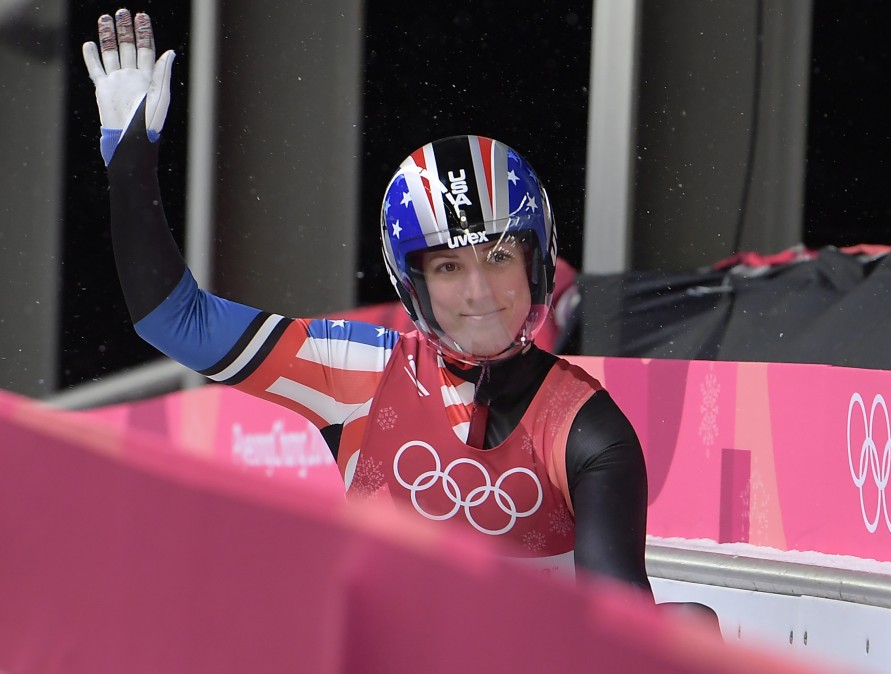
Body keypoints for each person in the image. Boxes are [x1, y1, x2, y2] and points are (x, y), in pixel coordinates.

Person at [82, 9, 652, 592]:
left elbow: (621, 638)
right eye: (450, 266)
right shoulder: (362, 373)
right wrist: (130, 162)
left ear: (538, 263)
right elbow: (173, 320)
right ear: (414, 285)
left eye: (499, 257)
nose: (479, 292)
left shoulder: (587, 427)